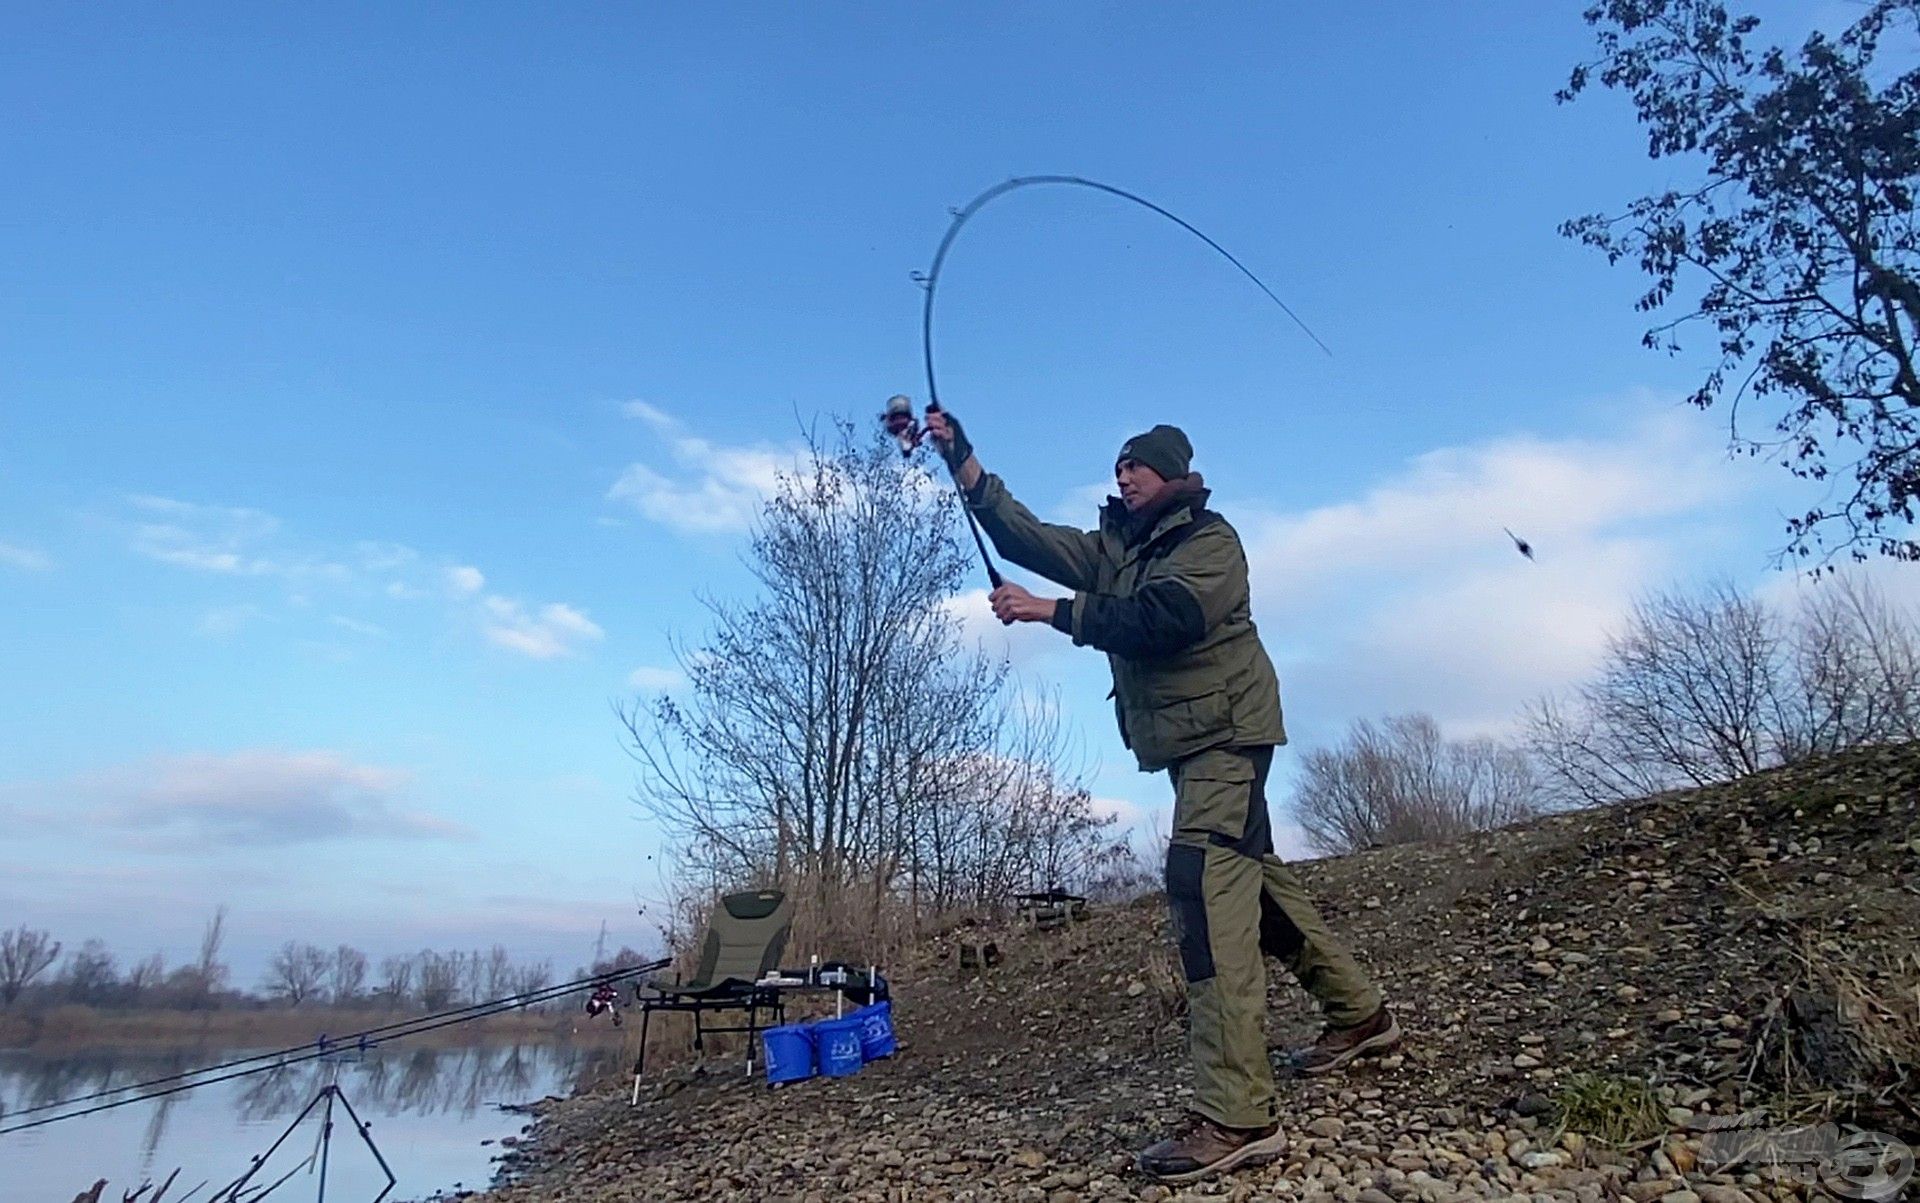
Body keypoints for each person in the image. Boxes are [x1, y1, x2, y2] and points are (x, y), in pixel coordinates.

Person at [925, 409, 1401, 1185]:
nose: (1122, 476)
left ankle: (1239, 1115)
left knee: (1203, 886)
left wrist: (1051, 611)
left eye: (1135, 466)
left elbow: (1165, 619)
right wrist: (962, 458)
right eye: (1116, 467)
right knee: (1253, 882)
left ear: (1173, 474)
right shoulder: (1114, 548)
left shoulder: (1211, 544)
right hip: (1192, 745)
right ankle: (1361, 1015)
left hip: (1230, 733)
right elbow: (1022, 535)